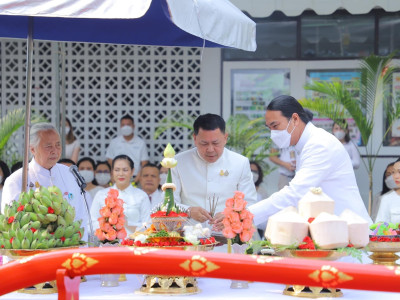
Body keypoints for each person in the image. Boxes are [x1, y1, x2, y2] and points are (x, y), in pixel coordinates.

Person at [246, 95, 371, 227]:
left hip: (349, 229)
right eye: (269, 128)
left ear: (295, 119)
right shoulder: (306, 144)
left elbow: (295, 193)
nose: (273, 134)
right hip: (334, 230)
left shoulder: (319, 144)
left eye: (275, 126)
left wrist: (247, 215)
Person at [1, 122, 89, 239]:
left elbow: (80, 217)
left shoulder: (69, 174)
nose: (55, 150)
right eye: (48, 146)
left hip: (69, 250)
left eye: (58, 145)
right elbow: (11, 225)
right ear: (32, 149)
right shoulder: (17, 180)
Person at [171, 113, 257, 226]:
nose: (210, 149)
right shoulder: (178, 162)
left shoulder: (240, 163)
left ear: (225, 138)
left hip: (227, 236)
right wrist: (189, 210)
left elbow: (250, 203)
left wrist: (231, 215)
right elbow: (167, 203)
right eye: (204, 143)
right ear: (195, 139)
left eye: (216, 143)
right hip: (189, 235)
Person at [90, 155, 150, 235]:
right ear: (112, 172)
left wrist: (126, 225)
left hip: (134, 244)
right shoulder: (101, 195)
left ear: (132, 171)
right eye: (117, 170)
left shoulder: (141, 196)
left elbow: (148, 226)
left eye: (125, 170)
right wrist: (110, 228)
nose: (121, 174)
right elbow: (91, 223)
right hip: (108, 245)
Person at [105, 115, 149, 181]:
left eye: (128, 124)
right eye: (123, 125)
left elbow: (144, 163)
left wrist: (137, 179)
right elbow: (110, 161)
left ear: (133, 126)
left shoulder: (140, 143)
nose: (126, 127)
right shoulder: (114, 142)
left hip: (135, 177)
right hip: (118, 176)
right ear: (120, 127)